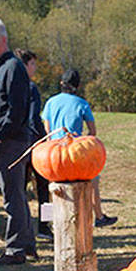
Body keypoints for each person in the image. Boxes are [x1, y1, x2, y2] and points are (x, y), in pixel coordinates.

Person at [0, 17, 35, 266]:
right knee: (18, 196)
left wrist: (2, 137)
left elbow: (17, 108)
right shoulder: (1, 66)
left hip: (10, 143)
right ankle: (27, 245)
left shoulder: (13, 67)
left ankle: (15, 250)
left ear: (3, 40)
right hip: (6, 142)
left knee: (12, 197)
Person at [42, 68, 116, 227]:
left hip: (53, 154)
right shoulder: (82, 103)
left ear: (61, 83)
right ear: (77, 86)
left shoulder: (50, 102)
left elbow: (47, 131)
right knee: (93, 182)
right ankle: (99, 216)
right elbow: (92, 132)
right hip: (75, 153)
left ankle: (47, 221)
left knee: (49, 188)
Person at [15, 48, 52, 239]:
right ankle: (45, 227)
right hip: (34, 144)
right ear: (26, 65)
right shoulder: (31, 88)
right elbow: (34, 118)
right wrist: (44, 138)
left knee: (20, 189)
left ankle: (22, 227)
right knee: (44, 188)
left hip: (16, 144)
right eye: (33, 64)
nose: (35, 68)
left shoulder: (12, 86)